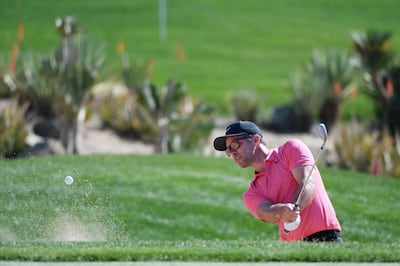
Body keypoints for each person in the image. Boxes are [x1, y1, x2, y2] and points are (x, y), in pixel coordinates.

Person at [213, 120, 342, 242]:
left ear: (255, 139)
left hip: (327, 237)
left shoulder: (291, 149)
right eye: (229, 149)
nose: (233, 153)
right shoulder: (251, 193)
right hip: (291, 250)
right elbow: (265, 211)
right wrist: (280, 210)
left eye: (235, 144)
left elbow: (308, 184)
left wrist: (295, 209)